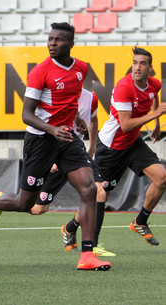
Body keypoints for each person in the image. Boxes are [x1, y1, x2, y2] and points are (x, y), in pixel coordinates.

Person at [0, 22, 111, 271]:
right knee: (26, 204)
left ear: (71, 44)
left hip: (66, 139)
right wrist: (53, 129)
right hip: (41, 141)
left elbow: (71, 97)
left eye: (58, 40)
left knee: (89, 189)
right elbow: (26, 114)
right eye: (50, 39)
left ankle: (87, 255)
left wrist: (74, 119)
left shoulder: (81, 69)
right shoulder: (40, 72)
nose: (52, 43)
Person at [0, 89, 116, 257]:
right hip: (54, 151)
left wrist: (92, 147)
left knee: (97, 192)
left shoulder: (91, 97)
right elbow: (41, 122)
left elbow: (93, 121)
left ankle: (91, 244)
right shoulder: (55, 93)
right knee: (39, 209)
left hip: (75, 153)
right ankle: (1, 200)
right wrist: (51, 158)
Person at [89, 47, 166, 247]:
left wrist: (157, 125)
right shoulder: (124, 87)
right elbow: (125, 125)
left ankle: (140, 221)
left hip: (133, 143)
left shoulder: (153, 84)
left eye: (142, 63)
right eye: (134, 63)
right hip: (111, 147)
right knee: (100, 195)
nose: (137, 67)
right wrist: (156, 115)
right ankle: (72, 228)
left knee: (162, 178)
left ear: (150, 67)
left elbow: (154, 95)